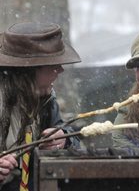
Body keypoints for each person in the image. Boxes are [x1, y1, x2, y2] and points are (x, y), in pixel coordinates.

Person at [0, 21, 81, 190]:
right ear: (27, 71)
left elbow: (70, 137)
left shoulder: (45, 100)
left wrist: (63, 139)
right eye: (52, 65)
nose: (60, 70)